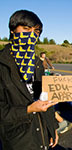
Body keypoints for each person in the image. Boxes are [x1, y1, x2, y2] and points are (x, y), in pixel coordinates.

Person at [0, 10, 59, 150]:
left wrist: (52, 128)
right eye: (26, 29)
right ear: (13, 30)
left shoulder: (37, 63)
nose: (32, 34)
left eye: (36, 31)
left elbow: (45, 97)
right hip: (18, 140)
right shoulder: (2, 63)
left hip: (43, 137)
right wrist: (28, 109)